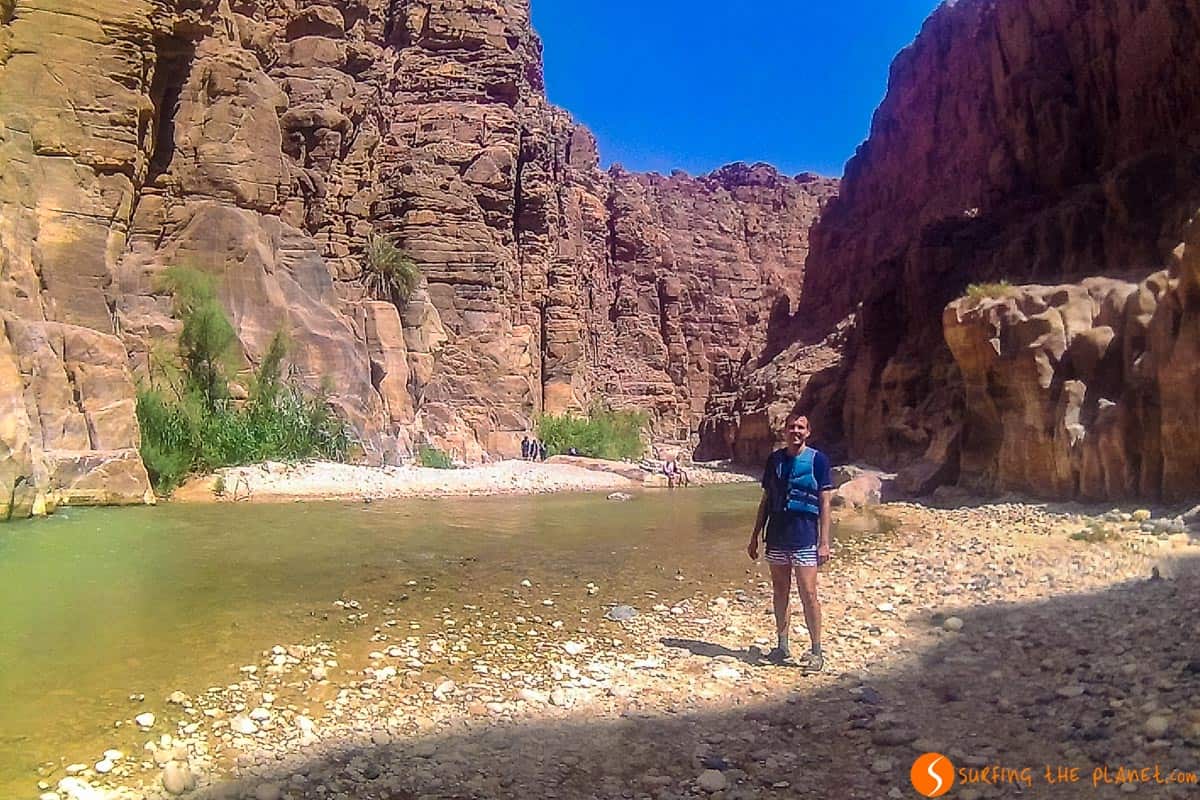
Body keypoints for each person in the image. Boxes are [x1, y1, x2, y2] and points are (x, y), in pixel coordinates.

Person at [747, 411, 834, 673]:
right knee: (780, 591)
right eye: (791, 427)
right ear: (784, 431)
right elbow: (766, 500)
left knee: (808, 593)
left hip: (805, 537)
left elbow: (825, 502)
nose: (795, 431)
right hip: (777, 537)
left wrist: (824, 541)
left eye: (801, 427)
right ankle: (782, 646)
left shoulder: (818, 460)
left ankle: (816, 650)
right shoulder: (774, 461)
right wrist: (754, 536)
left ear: (808, 432)